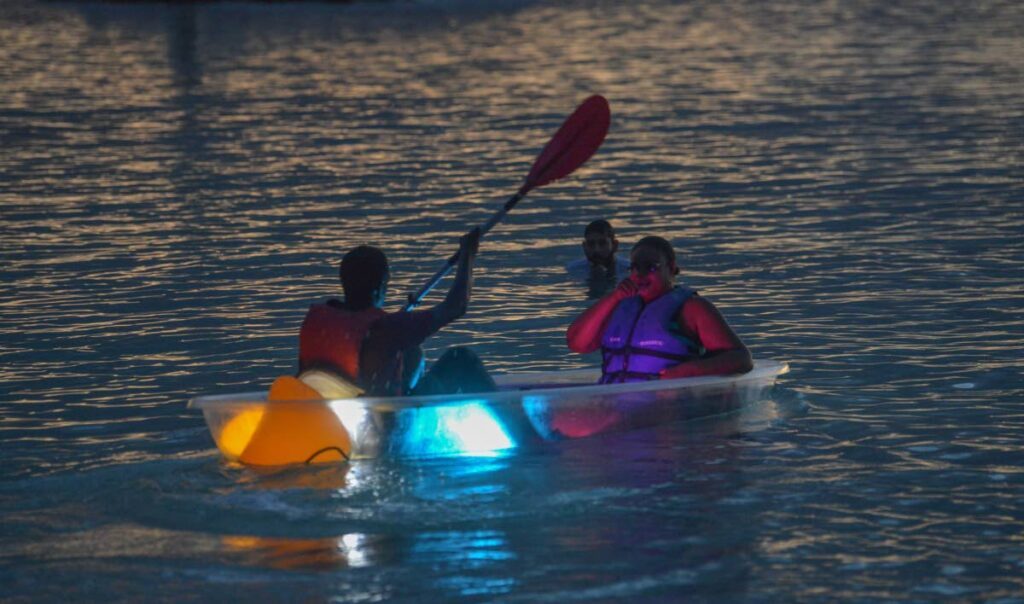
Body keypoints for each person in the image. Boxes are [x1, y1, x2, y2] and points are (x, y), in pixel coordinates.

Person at [298, 228, 495, 397]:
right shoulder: (388, 328)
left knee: (412, 352)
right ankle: (522, 432)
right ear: (380, 288)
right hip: (389, 427)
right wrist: (468, 255)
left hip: (332, 421)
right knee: (461, 359)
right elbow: (455, 306)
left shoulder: (317, 321)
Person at [566, 236, 752, 382]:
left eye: (651, 267)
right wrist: (613, 297)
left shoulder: (693, 308)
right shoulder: (618, 306)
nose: (640, 274)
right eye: (635, 267)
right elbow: (577, 344)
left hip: (666, 408)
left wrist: (689, 371)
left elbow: (741, 359)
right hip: (614, 404)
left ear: (671, 268)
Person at [565, 219, 631, 276]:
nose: (596, 250)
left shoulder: (629, 270)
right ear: (584, 246)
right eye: (591, 244)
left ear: (615, 245)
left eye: (602, 243)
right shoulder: (573, 270)